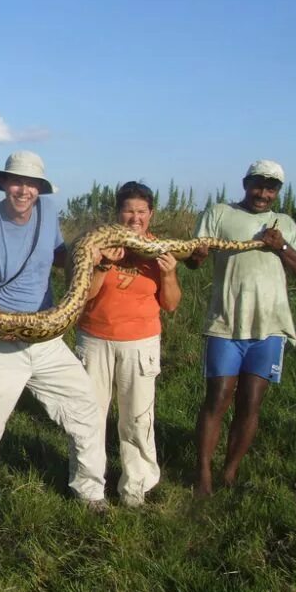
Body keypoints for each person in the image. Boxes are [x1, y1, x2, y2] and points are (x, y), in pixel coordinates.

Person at [0, 151, 108, 553]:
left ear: (40, 188)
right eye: (16, 182)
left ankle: (90, 492)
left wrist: (89, 258)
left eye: (31, 184)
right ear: (3, 184)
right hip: (2, 343)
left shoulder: (48, 212)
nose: (23, 190)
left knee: (86, 406)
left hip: (47, 339)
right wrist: (6, 323)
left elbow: (55, 256)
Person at [187, 160, 296, 497]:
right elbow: (194, 260)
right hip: (226, 323)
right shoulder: (219, 214)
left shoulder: (284, 224)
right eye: (258, 185)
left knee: (251, 402)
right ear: (246, 183)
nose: (263, 193)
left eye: (271, 188)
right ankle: (203, 475)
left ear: (277, 192)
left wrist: (281, 246)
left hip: (270, 326)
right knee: (217, 397)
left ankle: (230, 472)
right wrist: (198, 254)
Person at [75, 181, 181, 508]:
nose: (135, 217)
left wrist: (169, 274)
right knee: (90, 417)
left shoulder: (159, 248)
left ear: (150, 214)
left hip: (140, 343)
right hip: (95, 339)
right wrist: (103, 265)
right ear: (117, 213)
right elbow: (84, 297)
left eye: (141, 211)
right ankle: (89, 490)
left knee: (137, 418)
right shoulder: (98, 245)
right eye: (128, 211)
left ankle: (135, 489)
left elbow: (172, 304)